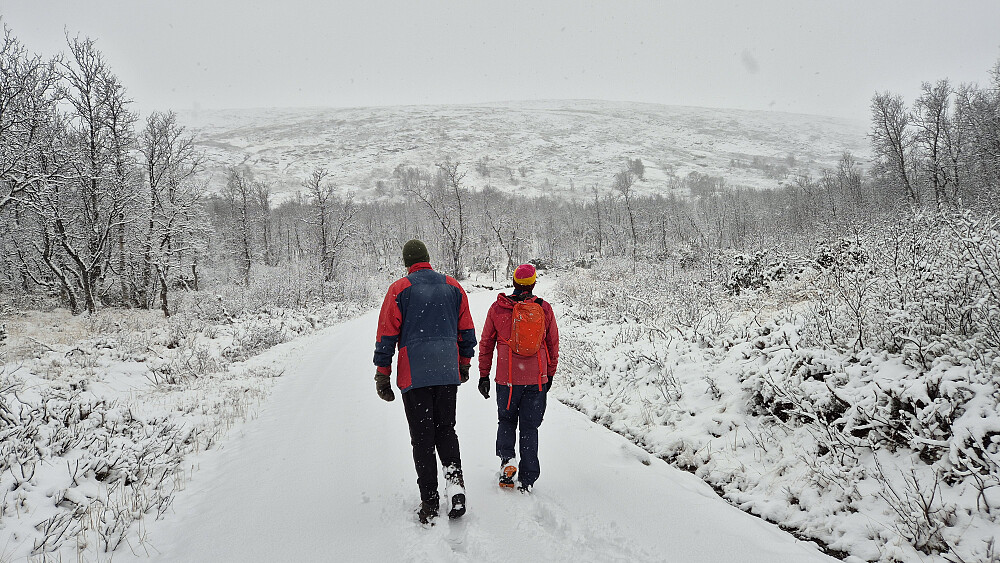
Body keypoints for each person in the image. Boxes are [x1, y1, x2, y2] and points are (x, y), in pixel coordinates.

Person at [373, 239, 477, 524]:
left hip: (414, 374)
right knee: (446, 429)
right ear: (428, 258)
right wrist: (464, 363)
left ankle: (430, 501)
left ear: (407, 262)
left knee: (422, 437)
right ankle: (456, 487)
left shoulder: (399, 289)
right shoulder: (453, 286)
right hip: (446, 371)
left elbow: (386, 335)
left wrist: (383, 373)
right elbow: (466, 329)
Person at [477, 263, 559, 492]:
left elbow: (486, 344)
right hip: (536, 378)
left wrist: (484, 375)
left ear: (513, 282)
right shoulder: (544, 309)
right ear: (533, 284)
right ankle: (528, 478)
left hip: (508, 379)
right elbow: (553, 344)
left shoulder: (498, 308)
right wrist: (549, 373)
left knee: (506, 420)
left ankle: (507, 461)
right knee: (530, 428)